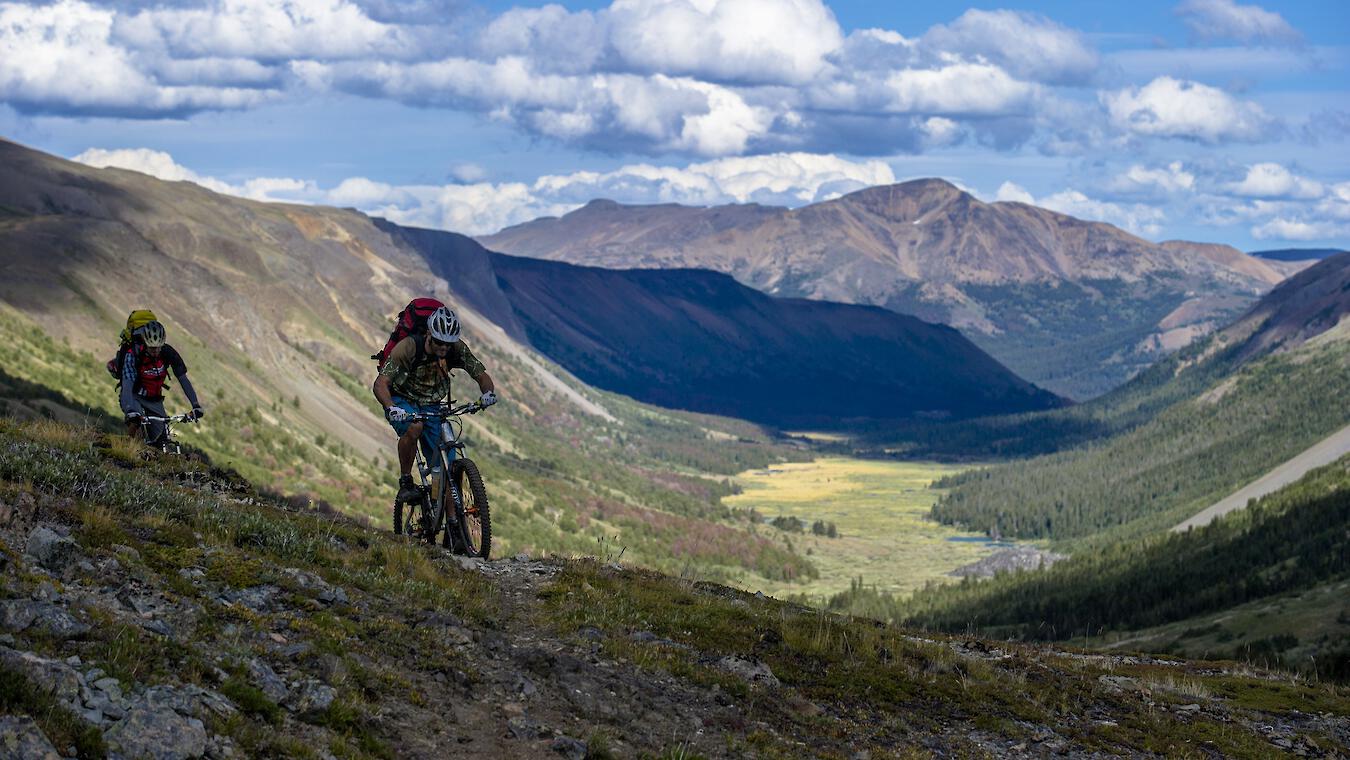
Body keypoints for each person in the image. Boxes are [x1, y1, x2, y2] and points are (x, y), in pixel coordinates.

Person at [372, 305, 497, 504]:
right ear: (429, 333)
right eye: (439, 342)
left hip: (432, 404)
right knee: (415, 427)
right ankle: (406, 483)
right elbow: (380, 383)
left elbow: (481, 375)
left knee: (447, 467)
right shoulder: (409, 347)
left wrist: (488, 393)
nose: (444, 348)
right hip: (402, 399)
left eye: (448, 344)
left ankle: (453, 527)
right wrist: (391, 407)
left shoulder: (455, 349)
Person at [113, 320, 204, 444]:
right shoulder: (133, 355)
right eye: (151, 348)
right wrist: (130, 409)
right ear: (145, 342)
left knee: (162, 439)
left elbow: (183, 378)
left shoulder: (168, 352)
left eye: (158, 347)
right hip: (132, 395)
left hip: (154, 399)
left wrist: (195, 405)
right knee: (136, 424)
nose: (155, 351)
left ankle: (156, 459)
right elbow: (127, 383)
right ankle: (130, 452)